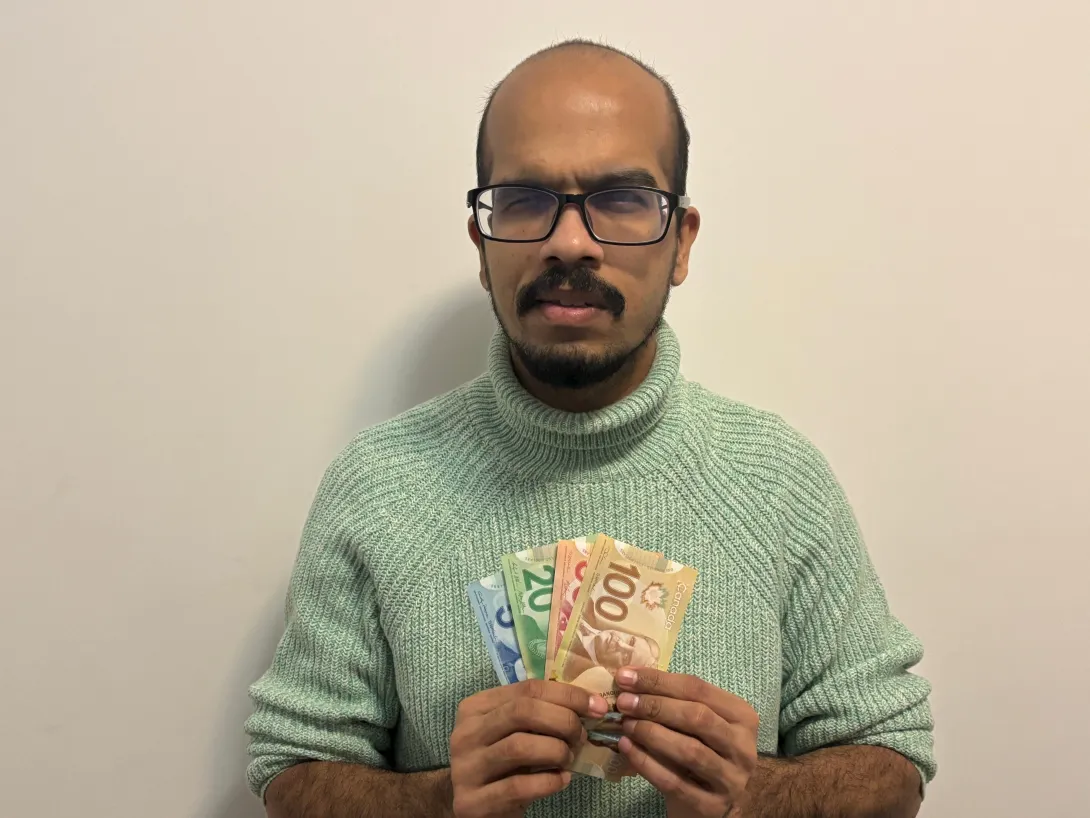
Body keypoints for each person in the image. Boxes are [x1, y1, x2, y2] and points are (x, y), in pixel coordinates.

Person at [245, 39, 936, 818]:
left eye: (622, 199)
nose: (569, 242)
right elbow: (292, 769)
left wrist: (762, 795)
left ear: (681, 242)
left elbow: (894, 763)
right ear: (482, 244)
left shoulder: (779, 481)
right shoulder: (377, 486)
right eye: (523, 199)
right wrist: (436, 803)